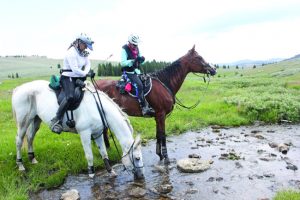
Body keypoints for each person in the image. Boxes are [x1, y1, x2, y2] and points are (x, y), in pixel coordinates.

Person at [50, 33, 95, 134]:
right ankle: (56, 119)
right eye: (85, 45)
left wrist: (86, 72)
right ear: (79, 42)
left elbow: (88, 63)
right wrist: (85, 73)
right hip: (67, 77)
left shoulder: (82, 52)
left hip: (78, 77)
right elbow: (74, 69)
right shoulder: (71, 52)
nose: (85, 48)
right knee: (70, 96)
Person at [121, 34, 154, 116]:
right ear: (129, 43)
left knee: (147, 82)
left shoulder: (137, 48)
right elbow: (123, 63)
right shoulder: (124, 49)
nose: (136, 46)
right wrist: (132, 61)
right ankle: (144, 108)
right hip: (128, 72)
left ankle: (149, 103)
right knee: (139, 85)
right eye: (134, 44)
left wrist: (142, 59)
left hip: (136, 71)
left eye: (136, 44)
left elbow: (140, 59)